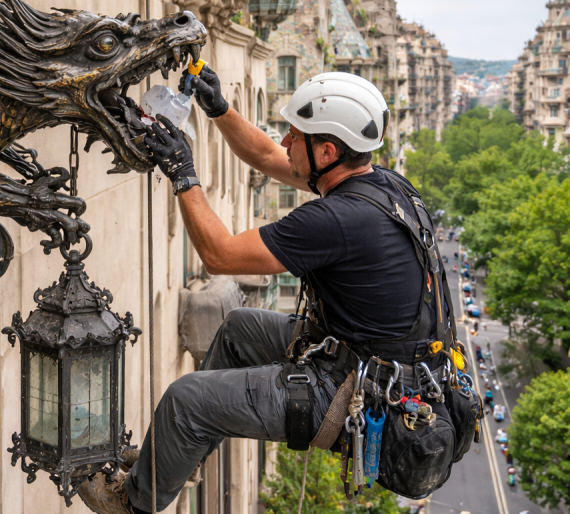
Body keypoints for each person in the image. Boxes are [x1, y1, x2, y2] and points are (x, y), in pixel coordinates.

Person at [79, 71, 457, 513]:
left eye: (294, 135)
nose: (285, 140)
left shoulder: (337, 220)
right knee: (241, 327)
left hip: (354, 391)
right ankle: (177, 456)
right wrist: (219, 110)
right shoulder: (382, 186)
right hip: (375, 362)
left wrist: (182, 172)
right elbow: (265, 155)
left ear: (327, 151)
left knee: (184, 401)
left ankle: (132, 504)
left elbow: (218, 255)